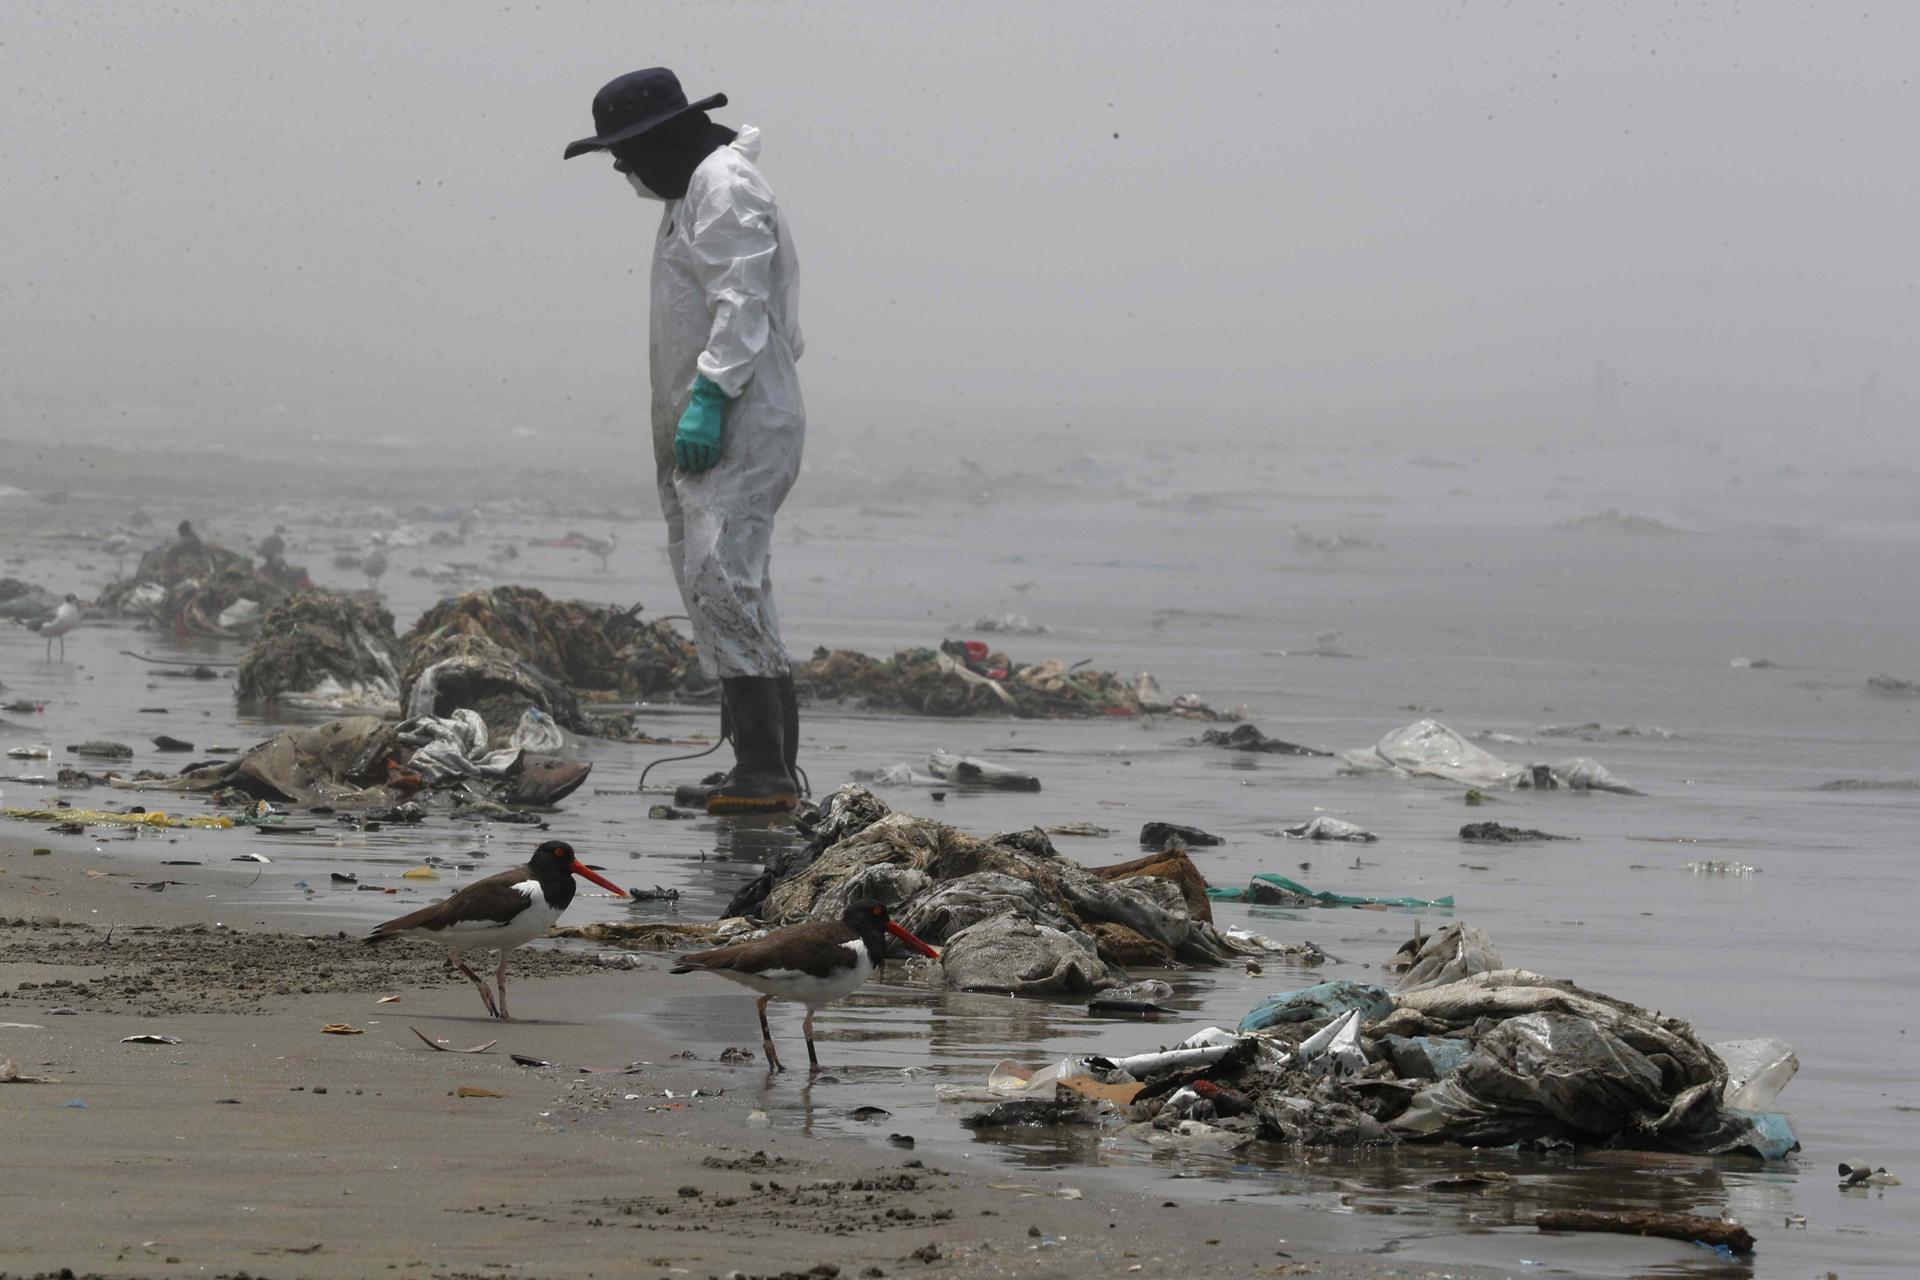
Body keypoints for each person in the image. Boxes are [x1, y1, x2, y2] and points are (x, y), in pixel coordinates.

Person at [565, 68, 805, 815]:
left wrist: (708, 398)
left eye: (624, 151)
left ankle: (766, 771)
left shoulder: (725, 187)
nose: (619, 166)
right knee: (719, 583)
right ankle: (756, 766)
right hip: (711, 416)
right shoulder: (691, 192)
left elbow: (743, 304)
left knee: (723, 579)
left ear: (664, 136)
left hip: (735, 414)